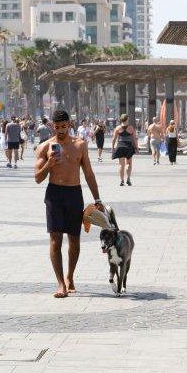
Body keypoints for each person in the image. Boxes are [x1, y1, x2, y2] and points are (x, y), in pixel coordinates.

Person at [34, 110, 103, 299]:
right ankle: (60, 283)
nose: (61, 130)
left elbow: (88, 173)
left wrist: (97, 200)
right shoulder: (45, 147)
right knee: (55, 240)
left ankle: (70, 276)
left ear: (69, 125)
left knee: (74, 239)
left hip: (74, 193)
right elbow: (37, 178)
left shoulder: (80, 145)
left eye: (64, 126)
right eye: (57, 127)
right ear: (52, 127)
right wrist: (49, 164)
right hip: (54, 194)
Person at [111, 114, 136, 186]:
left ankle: (122, 181)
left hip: (120, 146)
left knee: (121, 165)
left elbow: (114, 139)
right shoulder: (131, 128)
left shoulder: (118, 128)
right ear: (127, 119)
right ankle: (128, 179)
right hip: (128, 146)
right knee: (128, 164)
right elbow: (134, 139)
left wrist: (113, 148)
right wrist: (136, 148)